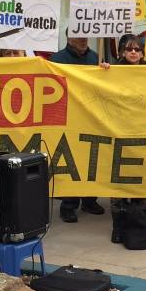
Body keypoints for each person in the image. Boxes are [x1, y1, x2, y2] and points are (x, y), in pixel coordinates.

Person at [99, 35, 146, 242]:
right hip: (119, 133)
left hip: (143, 133)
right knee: (118, 183)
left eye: (138, 49)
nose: (134, 53)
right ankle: (118, 227)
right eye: (129, 49)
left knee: (142, 183)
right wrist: (99, 73)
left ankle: (144, 225)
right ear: (121, 52)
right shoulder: (112, 70)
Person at [49, 32, 104, 223]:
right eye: (78, 36)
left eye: (85, 36)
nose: (83, 39)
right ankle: (69, 205)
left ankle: (90, 200)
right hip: (69, 117)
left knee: (92, 159)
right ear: (68, 38)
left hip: (91, 117)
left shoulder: (96, 58)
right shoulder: (57, 59)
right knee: (71, 162)